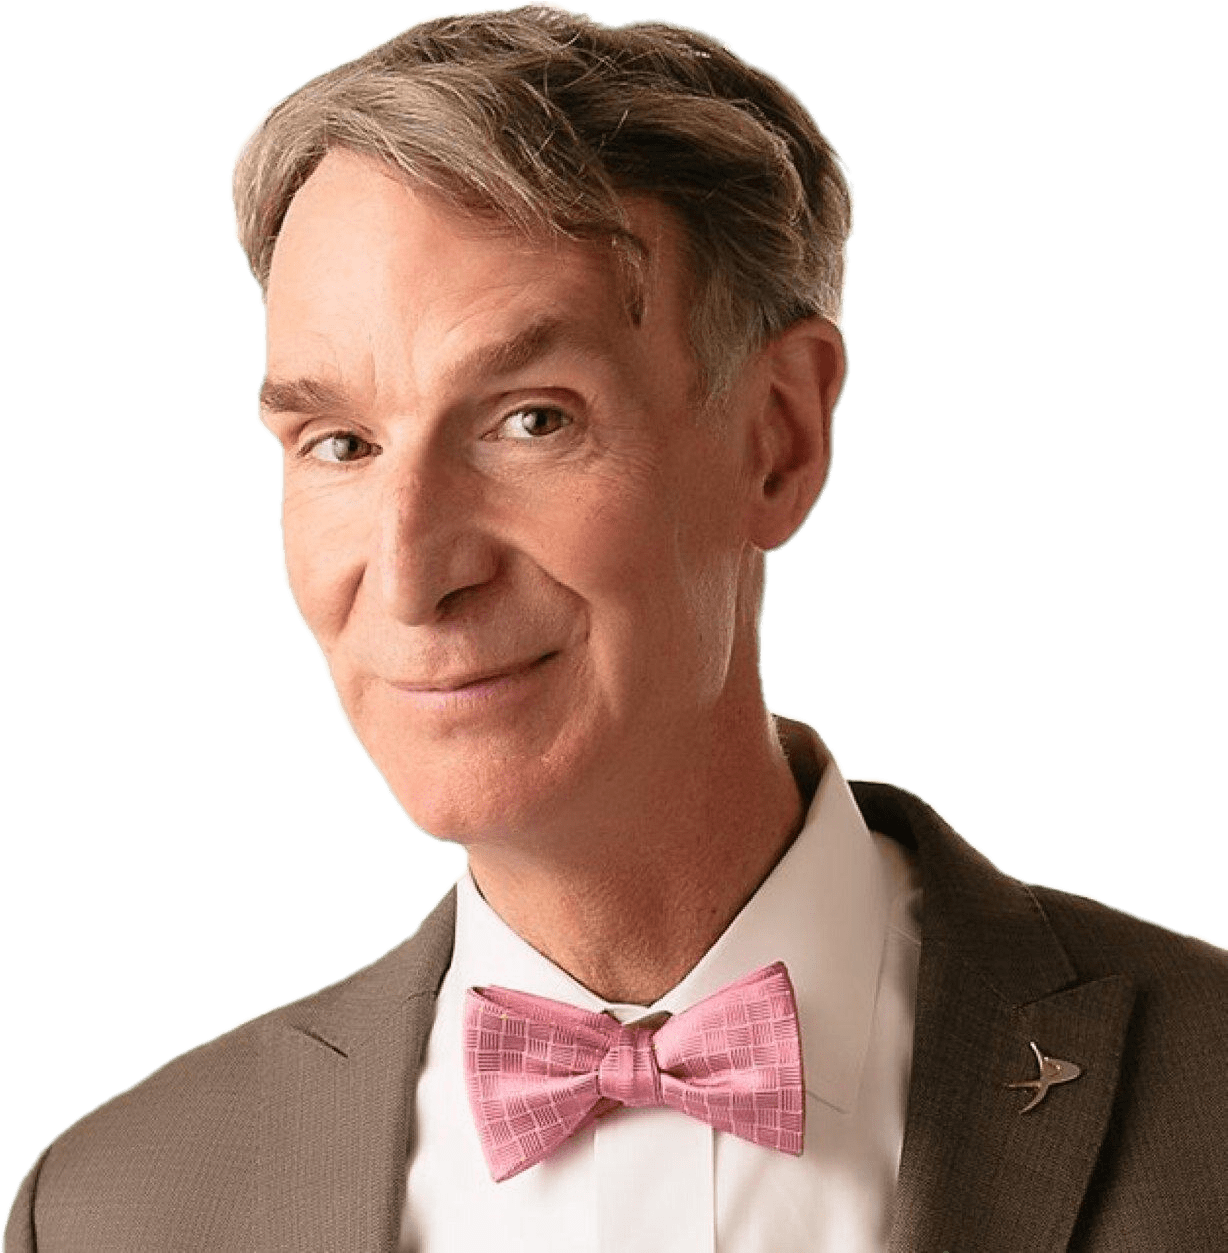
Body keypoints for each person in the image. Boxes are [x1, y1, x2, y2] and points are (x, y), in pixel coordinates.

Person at [6, 6, 1225, 1250]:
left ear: (779, 437)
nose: (412, 574)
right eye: (342, 443)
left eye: (532, 419)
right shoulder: (111, 1207)